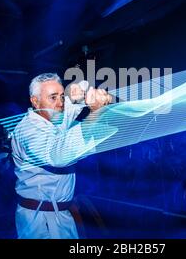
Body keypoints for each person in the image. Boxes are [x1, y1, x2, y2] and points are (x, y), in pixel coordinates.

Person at [11, 73, 112, 239]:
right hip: (39, 219)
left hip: (61, 215)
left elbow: (72, 105)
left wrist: (83, 93)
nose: (60, 103)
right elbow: (59, 156)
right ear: (35, 102)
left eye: (61, 97)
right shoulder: (28, 129)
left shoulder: (53, 116)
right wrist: (95, 111)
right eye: (53, 97)